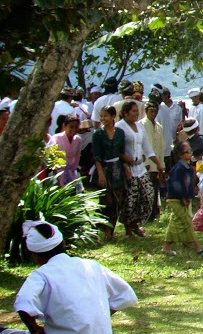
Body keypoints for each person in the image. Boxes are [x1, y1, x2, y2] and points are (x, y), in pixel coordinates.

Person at [0, 221, 138, 334]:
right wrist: (96, 316)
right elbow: (125, 294)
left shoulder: (41, 274)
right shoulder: (92, 265)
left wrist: (34, 330)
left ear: (34, 256)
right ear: (63, 243)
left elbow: (23, 304)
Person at [117, 100, 165, 238]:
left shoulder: (140, 127)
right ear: (125, 113)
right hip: (128, 168)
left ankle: (136, 223)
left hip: (141, 167)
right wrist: (126, 162)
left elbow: (147, 149)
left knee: (148, 195)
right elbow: (118, 149)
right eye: (133, 111)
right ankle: (127, 227)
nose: (136, 114)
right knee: (130, 199)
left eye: (137, 111)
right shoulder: (120, 127)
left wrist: (159, 164)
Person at [160, 141, 203, 256]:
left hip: (183, 198)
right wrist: (183, 197)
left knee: (176, 222)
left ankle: (167, 246)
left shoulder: (187, 168)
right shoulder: (179, 168)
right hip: (176, 199)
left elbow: (188, 184)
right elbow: (176, 185)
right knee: (186, 221)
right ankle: (197, 245)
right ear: (180, 155)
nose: (190, 153)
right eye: (187, 151)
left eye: (191, 151)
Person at [90, 106, 127, 240]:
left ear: (113, 117)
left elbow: (122, 152)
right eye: (101, 116)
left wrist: (126, 167)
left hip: (117, 169)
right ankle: (105, 229)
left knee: (118, 200)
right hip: (104, 168)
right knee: (106, 201)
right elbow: (96, 155)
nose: (102, 119)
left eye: (105, 116)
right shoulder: (98, 134)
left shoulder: (120, 133)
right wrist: (100, 172)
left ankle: (111, 228)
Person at [141, 101, 166, 220]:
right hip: (146, 163)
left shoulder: (159, 126)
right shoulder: (141, 125)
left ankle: (153, 213)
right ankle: (145, 214)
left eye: (155, 111)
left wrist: (161, 164)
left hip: (156, 163)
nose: (153, 114)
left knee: (155, 189)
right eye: (151, 111)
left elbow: (161, 146)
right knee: (146, 189)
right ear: (146, 112)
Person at [48, 114, 83, 191]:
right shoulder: (56, 138)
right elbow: (50, 156)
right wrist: (56, 173)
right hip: (57, 172)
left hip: (71, 172)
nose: (73, 129)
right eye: (71, 127)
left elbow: (77, 158)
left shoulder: (78, 140)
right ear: (64, 126)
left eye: (76, 127)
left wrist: (73, 170)